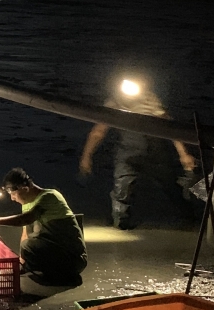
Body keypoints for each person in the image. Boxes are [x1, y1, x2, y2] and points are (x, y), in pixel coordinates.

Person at [79, 76, 196, 229]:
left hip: (155, 151)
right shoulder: (113, 103)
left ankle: (189, 218)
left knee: (170, 186)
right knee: (122, 188)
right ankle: (121, 223)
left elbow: (170, 128)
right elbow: (98, 132)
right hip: (127, 150)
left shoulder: (150, 100)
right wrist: (86, 157)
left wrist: (183, 154)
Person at [0, 167, 87, 294]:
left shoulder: (50, 196)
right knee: (27, 244)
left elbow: (25, 219)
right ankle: (52, 272)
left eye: (13, 193)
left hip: (73, 258)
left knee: (29, 245)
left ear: (24, 188)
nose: (12, 198)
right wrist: (21, 264)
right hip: (56, 252)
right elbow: (25, 233)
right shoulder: (27, 205)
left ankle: (58, 277)